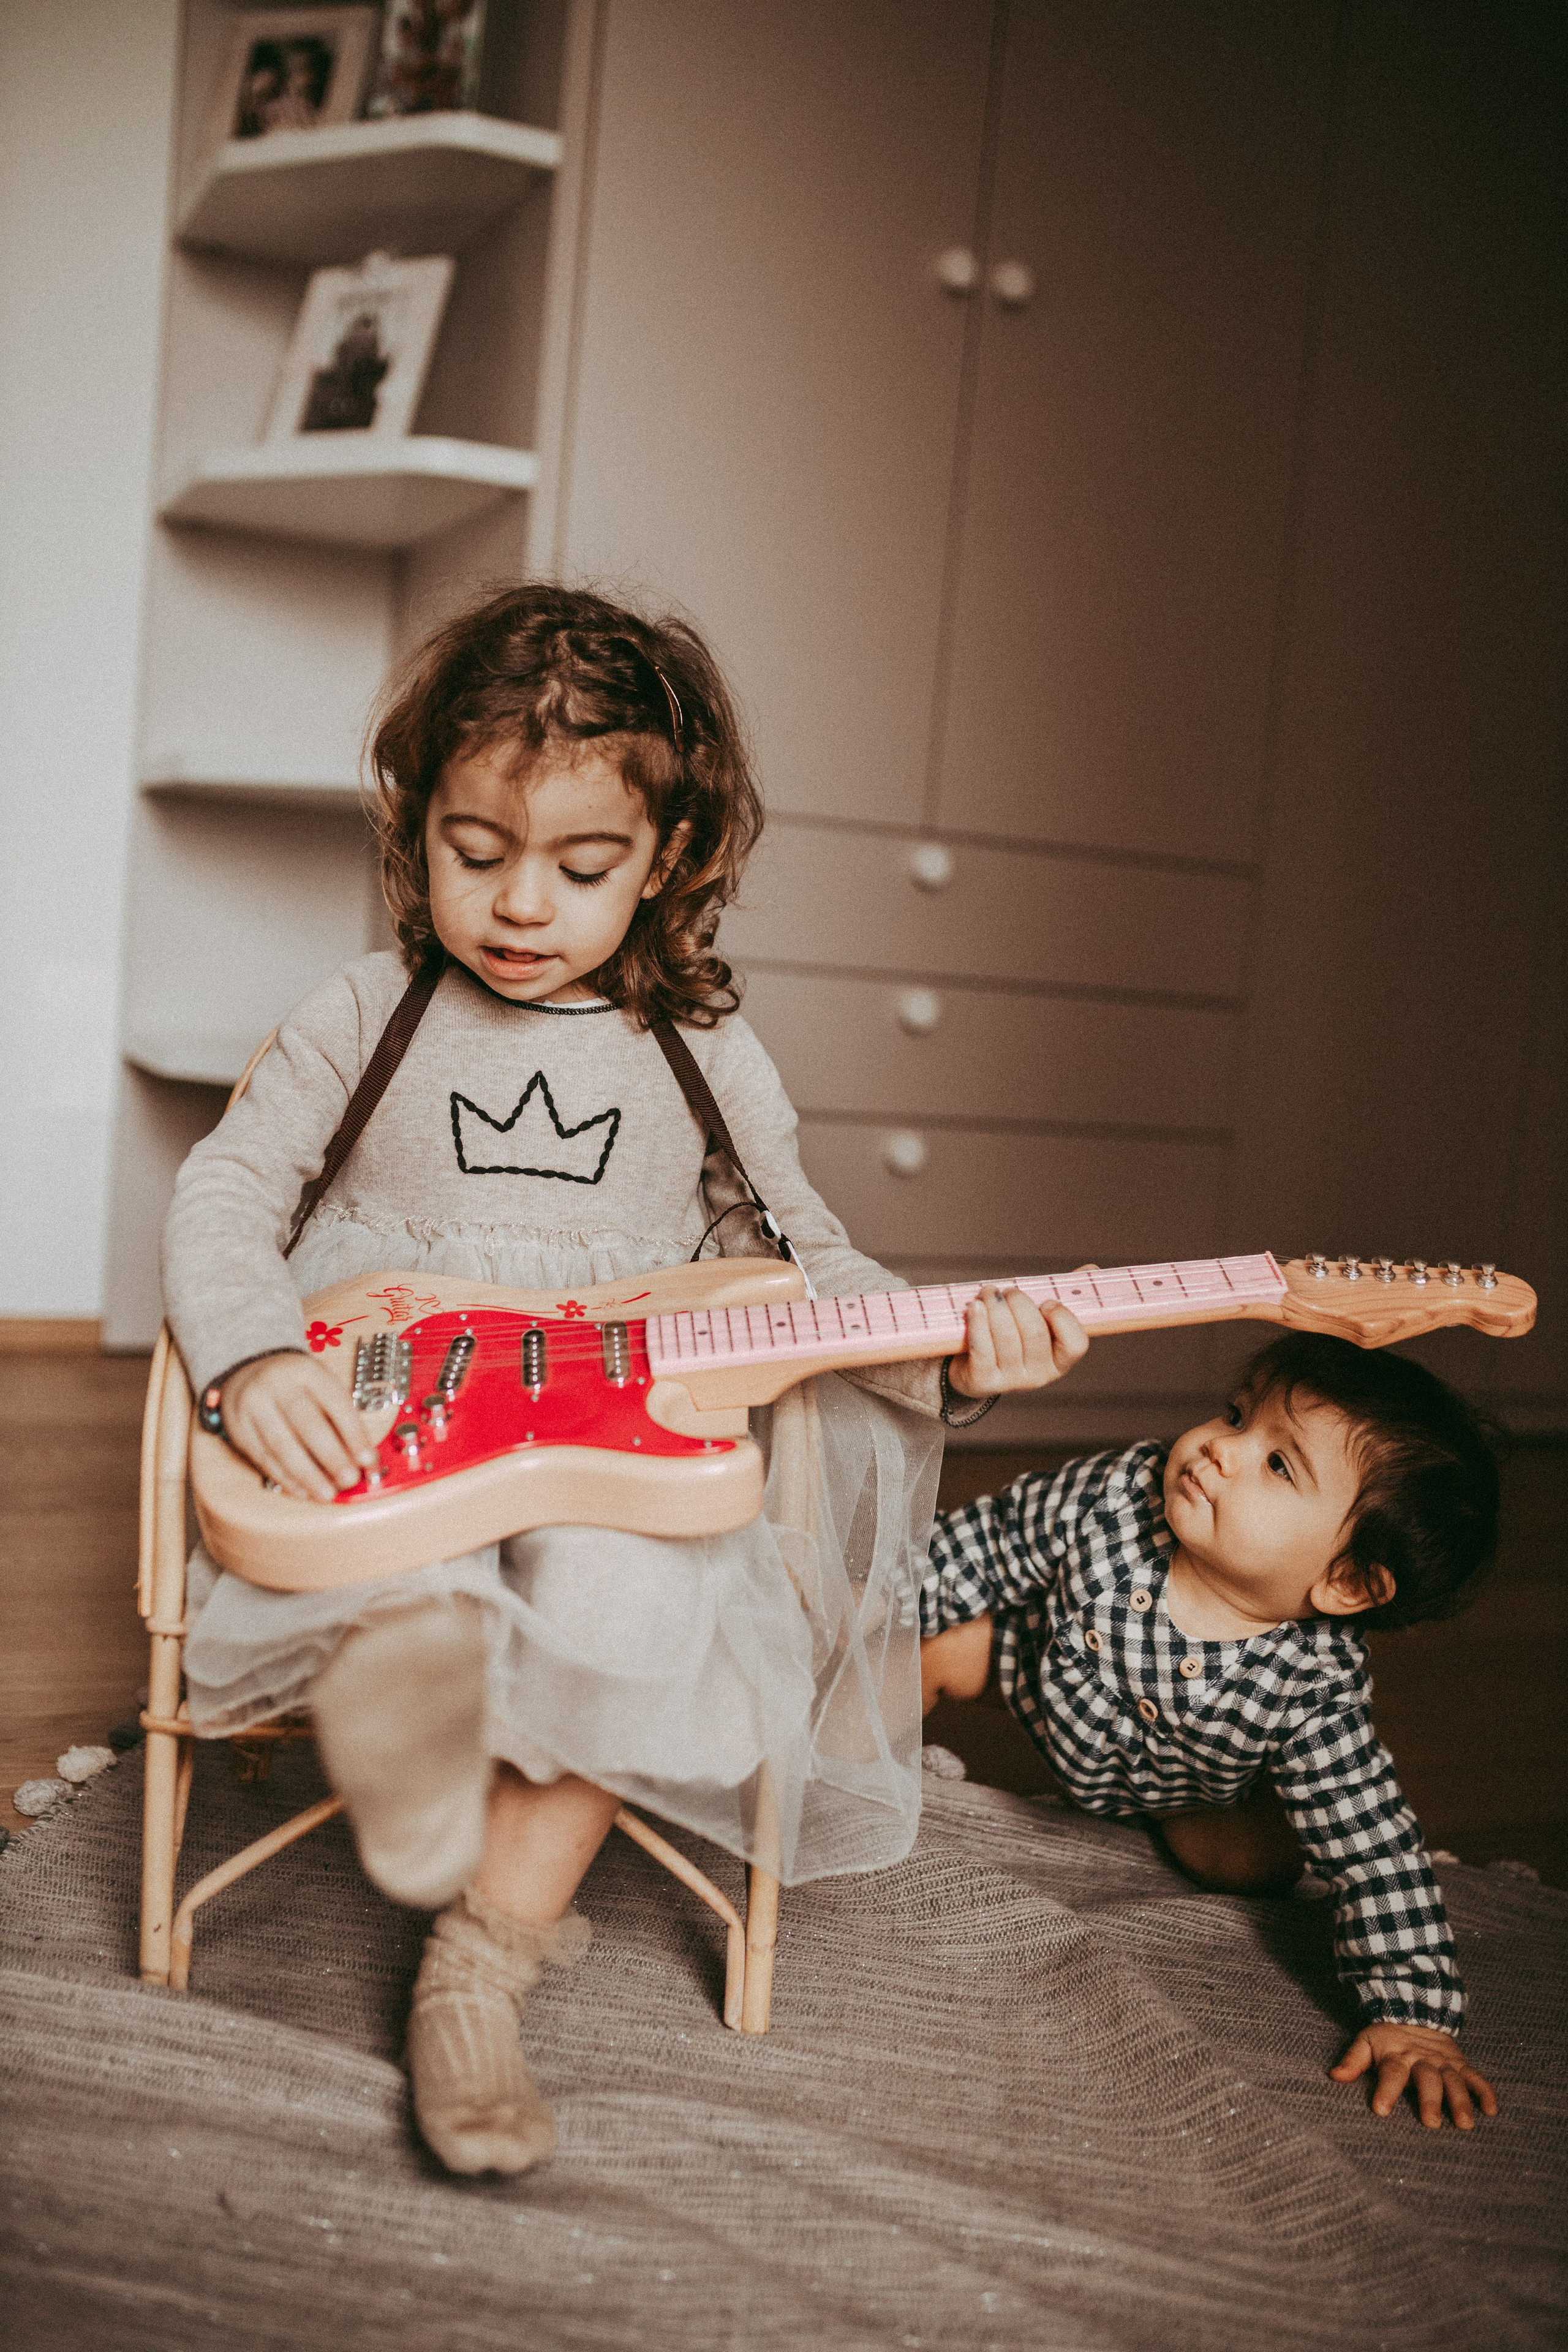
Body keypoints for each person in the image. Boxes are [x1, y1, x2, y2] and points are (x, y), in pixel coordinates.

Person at [161, 584, 1088, 2177]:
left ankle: (482, 1967)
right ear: (418, 828)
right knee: (414, 1584)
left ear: (665, 861)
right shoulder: (370, 1014)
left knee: (642, 1610)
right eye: (476, 852)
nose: (523, 906)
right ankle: (423, 1728)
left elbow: (809, 1271)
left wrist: (957, 1345)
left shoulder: (702, 1055)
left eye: (583, 869)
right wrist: (249, 1353)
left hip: (613, 1426)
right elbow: (227, 1189)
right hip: (409, 1399)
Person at [919, 1332, 1503, 2133]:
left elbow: (1375, 1852)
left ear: (1346, 1582)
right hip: (1039, 1676)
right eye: (1236, 1415)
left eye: (1277, 1463)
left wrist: (1415, 2013)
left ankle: (1178, 1825)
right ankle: (855, 1767)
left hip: (1192, 1790)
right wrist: (866, 1604)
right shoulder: (1118, 1493)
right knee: (924, 1641)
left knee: (1261, 1861)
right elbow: (982, 1548)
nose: (1220, 1449)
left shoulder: (1312, 1690)